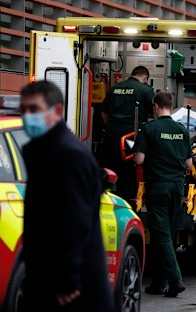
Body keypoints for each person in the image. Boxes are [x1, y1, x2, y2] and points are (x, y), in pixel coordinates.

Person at [20, 81, 114, 312]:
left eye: (35, 109)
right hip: (48, 281)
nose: (27, 117)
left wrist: (67, 282)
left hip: (72, 291)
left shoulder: (68, 155)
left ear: (58, 111)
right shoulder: (44, 151)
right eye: (24, 110)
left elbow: (74, 224)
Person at [134, 92, 192, 297]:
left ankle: (175, 281)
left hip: (158, 186)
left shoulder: (149, 129)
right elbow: (189, 164)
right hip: (177, 188)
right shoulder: (182, 130)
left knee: (160, 234)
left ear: (156, 107)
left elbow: (139, 159)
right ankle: (159, 283)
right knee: (166, 234)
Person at [101, 66, 155, 203]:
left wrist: (112, 128)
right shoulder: (145, 90)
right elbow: (156, 114)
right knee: (130, 172)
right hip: (132, 137)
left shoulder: (114, 88)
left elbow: (104, 113)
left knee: (112, 169)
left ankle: (109, 200)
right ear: (145, 78)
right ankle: (128, 202)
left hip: (111, 135)